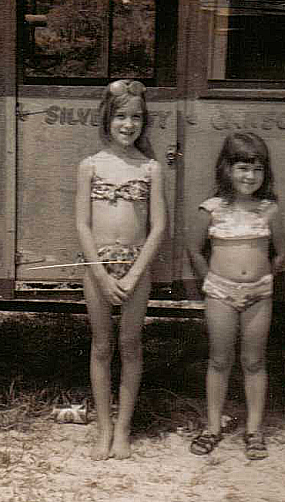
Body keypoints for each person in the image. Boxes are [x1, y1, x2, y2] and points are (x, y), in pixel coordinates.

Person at [75, 79, 167, 460]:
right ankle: (104, 428)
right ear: (107, 120)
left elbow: (159, 226)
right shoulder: (91, 166)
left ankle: (124, 429)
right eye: (121, 117)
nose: (128, 125)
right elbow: (81, 223)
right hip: (97, 268)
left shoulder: (150, 168)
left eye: (136, 118)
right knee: (101, 346)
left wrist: (131, 275)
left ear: (144, 123)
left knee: (130, 345)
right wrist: (99, 272)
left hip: (135, 268)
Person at [187, 132, 285, 460]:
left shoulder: (269, 210)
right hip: (219, 292)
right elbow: (195, 249)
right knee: (219, 360)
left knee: (254, 361)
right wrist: (211, 282)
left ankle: (254, 430)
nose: (250, 176)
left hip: (259, 294)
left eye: (257, 170)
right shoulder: (212, 209)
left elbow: (280, 253)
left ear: (265, 173)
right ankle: (213, 427)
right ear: (226, 169)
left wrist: (261, 279)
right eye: (243, 168)